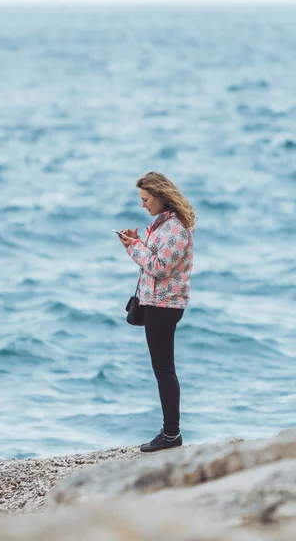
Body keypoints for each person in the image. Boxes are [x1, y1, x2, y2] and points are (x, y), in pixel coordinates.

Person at [118, 171, 196, 452]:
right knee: (162, 369)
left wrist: (136, 248)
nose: (143, 205)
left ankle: (172, 434)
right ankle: (170, 432)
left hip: (165, 305)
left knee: (164, 370)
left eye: (146, 199)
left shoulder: (175, 229)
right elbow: (152, 260)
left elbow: (160, 267)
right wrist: (135, 244)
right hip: (156, 303)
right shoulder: (162, 225)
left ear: (160, 196)